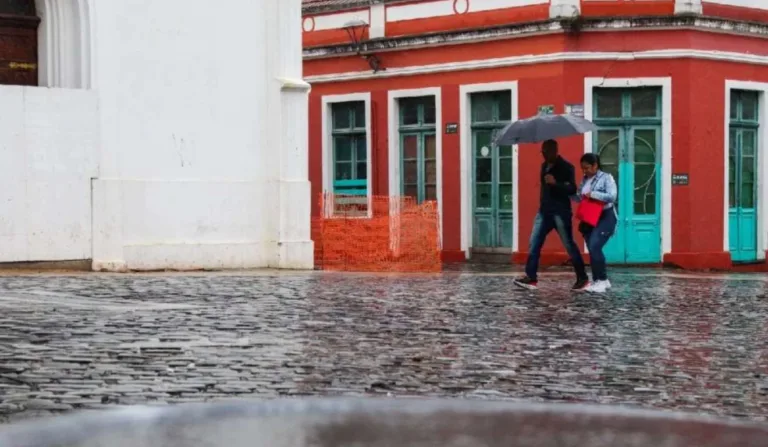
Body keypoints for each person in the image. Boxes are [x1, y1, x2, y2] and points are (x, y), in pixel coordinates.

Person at [514, 140, 589, 291]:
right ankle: (531, 278)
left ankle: (583, 278)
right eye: (543, 152)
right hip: (544, 212)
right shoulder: (544, 166)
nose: (545, 155)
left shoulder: (567, 167)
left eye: (547, 152)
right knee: (534, 242)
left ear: (555, 151)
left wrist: (556, 183)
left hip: (560, 213)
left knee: (569, 244)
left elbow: (572, 189)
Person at [574, 153, 618, 293]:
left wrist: (593, 194)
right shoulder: (585, 179)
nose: (584, 171)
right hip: (590, 217)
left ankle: (602, 280)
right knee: (593, 249)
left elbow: (612, 196)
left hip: (606, 216)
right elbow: (580, 195)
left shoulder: (606, 178)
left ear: (595, 165)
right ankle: (598, 280)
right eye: (582, 168)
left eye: (587, 168)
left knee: (594, 245)